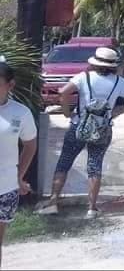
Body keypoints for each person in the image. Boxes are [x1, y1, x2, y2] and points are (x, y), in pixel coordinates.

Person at [38, 46, 124, 218]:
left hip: (78, 125)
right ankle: (91, 208)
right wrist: (120, 110)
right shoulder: (119, 82)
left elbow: (63, 91)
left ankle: (53, 202)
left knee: (64, 163)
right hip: (103, 129)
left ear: (95, 63)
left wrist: (67, 112)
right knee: (94, 166)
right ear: (113, 65)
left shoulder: (84, 77)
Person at [0, 58, 37, 267]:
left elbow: (30, 145)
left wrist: (18, 177)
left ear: (10, 85)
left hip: (5, 187)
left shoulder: (20, 113)